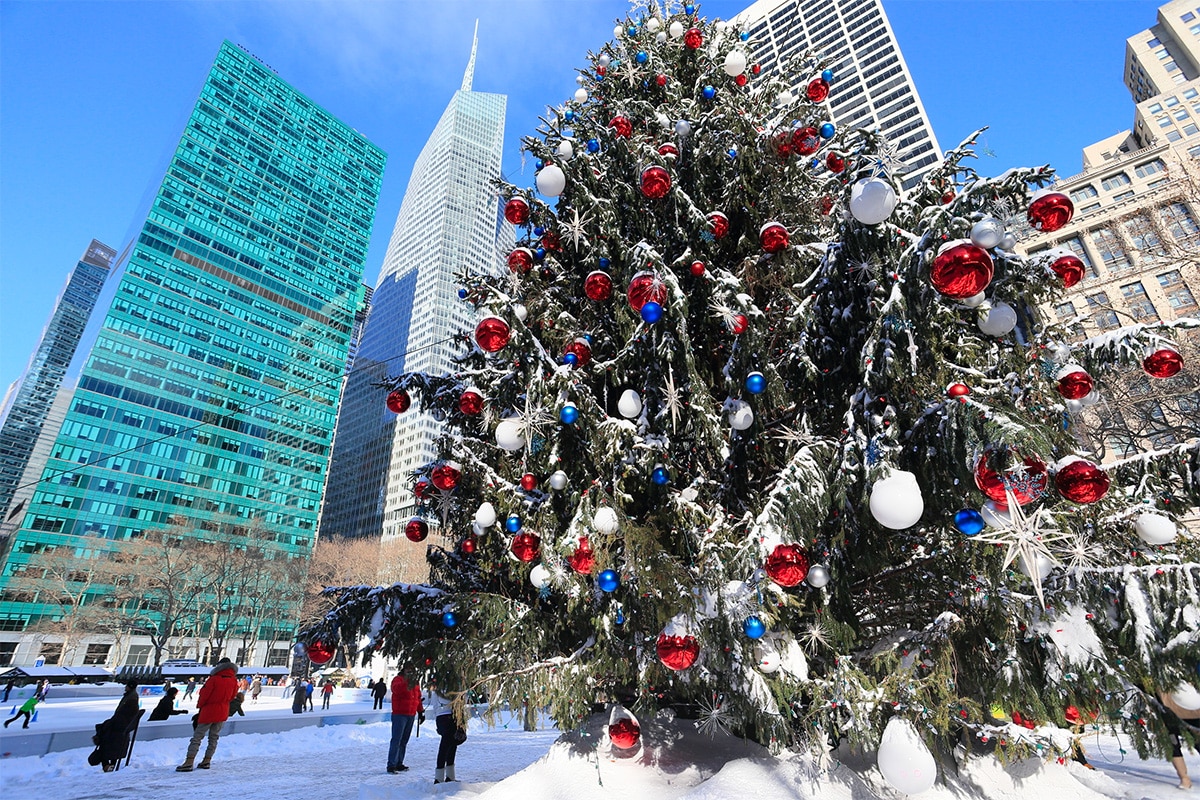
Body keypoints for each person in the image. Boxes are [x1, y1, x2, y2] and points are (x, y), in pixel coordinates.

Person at [176, 657, 238, 772]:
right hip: (223, 710)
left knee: (197, 737)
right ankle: (207, 760)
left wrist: (200, 706)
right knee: (214, 737)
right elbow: (233, 696)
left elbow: (204, 695)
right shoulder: (234, 680)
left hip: (209, 710)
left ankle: (189, 761)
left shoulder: (213, 679)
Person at [90, 680, 142, 771]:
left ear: (130, 686)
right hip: (120, 728)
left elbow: (122, 715)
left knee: (106, 744)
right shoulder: (130, 697)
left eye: (127, 685)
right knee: (114, 748)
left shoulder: (131, 699)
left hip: (118, 728)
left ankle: (107, 765)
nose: (125, 687)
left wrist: (110, 723)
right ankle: (110, 765)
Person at [426, 683, 465, 784]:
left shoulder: (436, 688)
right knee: (447, 745)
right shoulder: (451, 686)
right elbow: (460, 699)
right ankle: (441, 777)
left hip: (442, 716)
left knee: (450, 744)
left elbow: (435, 705)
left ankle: (446, 776)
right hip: (449, 715)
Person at [1162, 691, 1199, 790]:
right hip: (1166, 709)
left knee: (1197, 741)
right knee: (1172, 743)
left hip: (1191, 708)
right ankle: (1184, 778)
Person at [386, 672, 422, 774]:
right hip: (399, 714)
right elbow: (396, 690)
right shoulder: (398, 680)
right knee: (396, 739)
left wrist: (420, 710)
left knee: (404, 740)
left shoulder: (415, 682)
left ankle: (399, 762)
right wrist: (407, 681)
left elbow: (417, 697)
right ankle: (391, 764)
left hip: (411, 714)